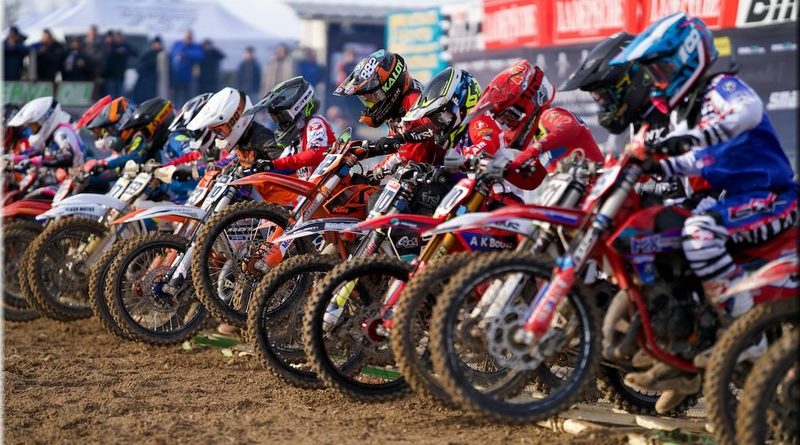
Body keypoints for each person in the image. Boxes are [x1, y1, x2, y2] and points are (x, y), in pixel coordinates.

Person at [612, 12, 798, 413]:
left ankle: (746, 331)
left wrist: (686, 140)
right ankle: (683, 350)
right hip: (731, 200)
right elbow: (692, 161)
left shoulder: (720, 87)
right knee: (663, 241)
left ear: (689, 59)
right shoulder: (681, 109)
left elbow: (746, 112)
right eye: (654, 73)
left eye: (663, 70)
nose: (659, 80)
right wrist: (648, 166)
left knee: (699, 231)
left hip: (772, 196)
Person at [333, 49, 439, 173]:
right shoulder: (396, 110)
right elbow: (399, 153)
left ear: (389, 85)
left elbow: (435, 127)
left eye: (372, 97)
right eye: (366, 100)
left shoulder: (413, 99)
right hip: (416, 173)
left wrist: (401, 138)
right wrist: (374, 174)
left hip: (438, 174)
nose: (370, 104)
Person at [245, 76, 335, 181]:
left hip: (332, 184)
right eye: (276, 119)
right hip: (312, 187)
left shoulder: (315, 123)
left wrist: (273, 164)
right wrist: (253, 169)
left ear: (297, 109)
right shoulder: (296, 137)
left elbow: (316, 154)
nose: (279, 123)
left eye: (282, 117)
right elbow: (282, 164)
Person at [7, 97, 84, 173]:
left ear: (45, 120)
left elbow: (67, 157)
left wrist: (36, 161)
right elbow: (42, 154)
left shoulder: (61, 132)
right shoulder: (52, 136)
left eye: (33, 125)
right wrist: (16, 158)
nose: (31, 129)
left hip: (78, 175)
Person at [169, 30, 204, 107]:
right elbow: (172, 53)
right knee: (175, 99)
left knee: (188, 99)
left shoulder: (195, 47)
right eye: (187, 37)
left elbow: (200, 56)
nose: (188, 39)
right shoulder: (177, 45)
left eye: (190, 37)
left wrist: (186, 54)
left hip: (189, 79)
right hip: (175, 78)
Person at [102, 31, 136, 97]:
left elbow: (135, 52)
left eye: (120, 37)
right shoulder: (110, 46)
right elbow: (106, 55)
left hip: (120, 75)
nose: (119, 39)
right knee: (111, 95)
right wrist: (116, 51)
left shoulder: (125, 46)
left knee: (120, 95)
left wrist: (125, 50)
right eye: (117, 37)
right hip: (110, 75)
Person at [134, 37, 165, 102]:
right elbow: (138, 67)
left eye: (158, 44)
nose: (157, 45)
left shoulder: (163, 55)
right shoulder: (148, 54)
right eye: (156, 44)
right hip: (145, 82)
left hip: (156, 83)